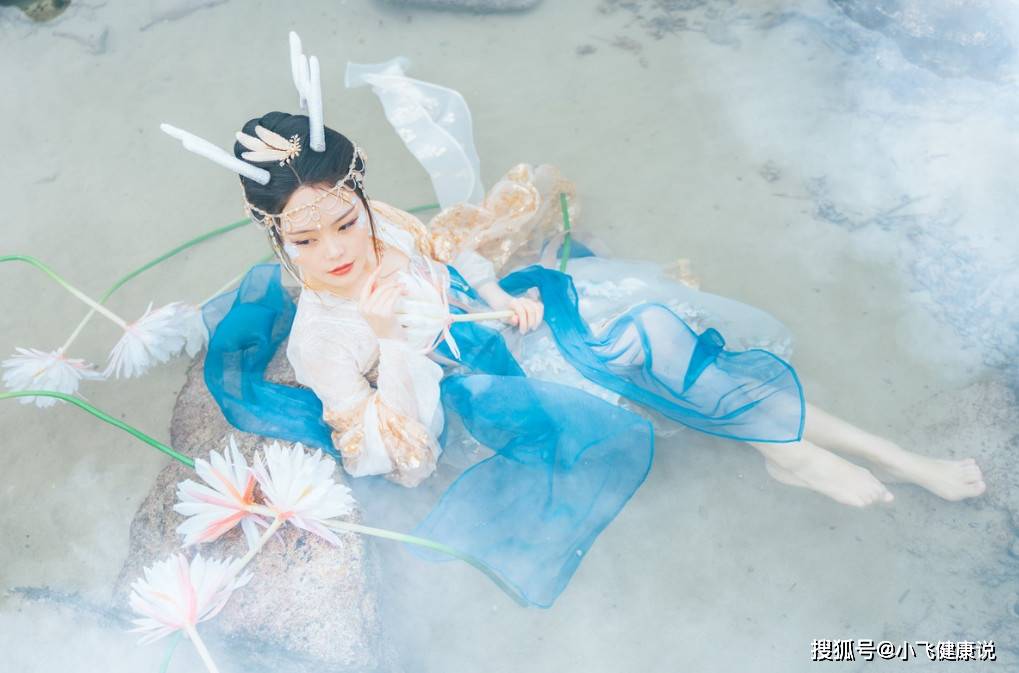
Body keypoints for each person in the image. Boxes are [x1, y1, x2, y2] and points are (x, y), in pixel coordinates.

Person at [178, 37, 984, 607]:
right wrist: (390, 344)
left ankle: (822, 451)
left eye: (344, 221)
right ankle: (802, 451)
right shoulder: (322, 339)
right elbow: (399, 463)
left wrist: (503, 298)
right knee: (642, 346)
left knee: (652, 327)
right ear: (275, 237)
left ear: (359, 196)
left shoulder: (381, 222)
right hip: (476, 399)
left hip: (498, 327)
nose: (335, 250)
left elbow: (451, 261)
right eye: (305, 240)